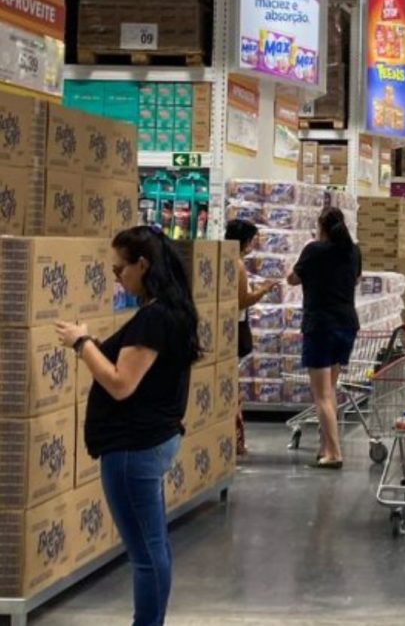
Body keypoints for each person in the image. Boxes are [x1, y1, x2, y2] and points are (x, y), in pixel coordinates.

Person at [56, 226, 200, 626]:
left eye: (121, 268)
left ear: (143, 265)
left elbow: (121, 384)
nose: (116, 275)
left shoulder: (153, 318)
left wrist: (82, 344)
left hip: (133, 449)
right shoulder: (174, 310)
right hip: (154, 440)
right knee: (154, 545)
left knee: (146, 553)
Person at [287, 207, 361, 469]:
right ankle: (324, 447)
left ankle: (335, 453)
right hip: (347, 325)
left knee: (321, 395)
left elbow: (292, 279)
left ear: (321, 226)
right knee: (330, 390)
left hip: (320, 326)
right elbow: (356, 279)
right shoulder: (353, 251)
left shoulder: (313, 250)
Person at [225, 219, 278, 456]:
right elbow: (242, 300)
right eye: (251, 240)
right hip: (236, 326)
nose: (252, 245)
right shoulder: (237, 265)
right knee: (232, 383)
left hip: (226, 325)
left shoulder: (223, 259)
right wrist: (264, 291)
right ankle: (235, 439)